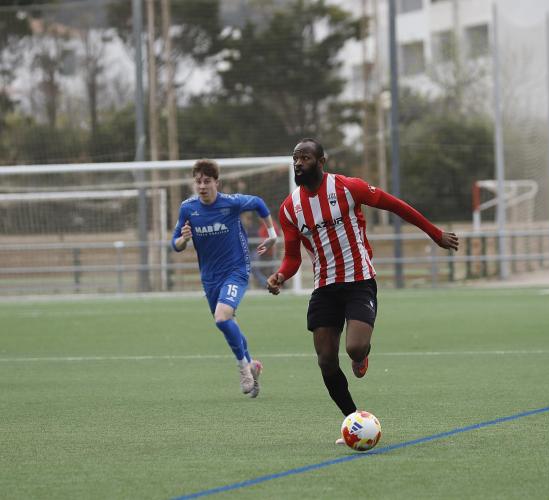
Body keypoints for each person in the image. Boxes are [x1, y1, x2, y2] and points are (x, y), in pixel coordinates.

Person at [266, 138, 459, 443]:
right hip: (324, 287)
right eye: (295, 158)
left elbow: (394, 205)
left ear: (321, 162)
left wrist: (434, 233)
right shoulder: (290, 209)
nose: (298, 163)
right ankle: (353, 421)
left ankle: (361, 356)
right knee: (326, 360)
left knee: (354, 348)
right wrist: (280, 275)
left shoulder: (347, 187)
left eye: (305, 158)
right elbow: (292, 257)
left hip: (359, 280)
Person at [172, 159, 278, 398]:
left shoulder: (231, 203)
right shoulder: (188, 208)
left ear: (216, 183)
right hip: (209, 277)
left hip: (236, 270)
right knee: (229, 322)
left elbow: (259, 203)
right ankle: (252, 364)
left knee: (222, 317)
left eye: (207, 181)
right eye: (198, 182)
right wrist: (184, 239)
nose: (202, 186)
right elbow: (175, 244)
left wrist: (272, 234)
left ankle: (244, 369)